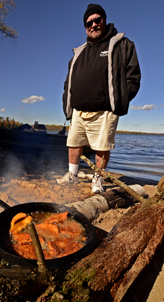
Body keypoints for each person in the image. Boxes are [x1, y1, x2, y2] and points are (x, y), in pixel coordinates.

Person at [57, 3, 141, 193]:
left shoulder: (122, 44)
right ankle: (72, 174)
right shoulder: (79, 52)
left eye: (97, 20)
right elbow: (67, 83)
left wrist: (119, 100)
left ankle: (97, 179)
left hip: (105, 110)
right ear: (85, 27)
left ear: (104, 20)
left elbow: (133, 76)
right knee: (74, 144)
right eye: (88, 23)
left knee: (102, 147)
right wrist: (68, 105)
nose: (93, 25)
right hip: (78, 110)